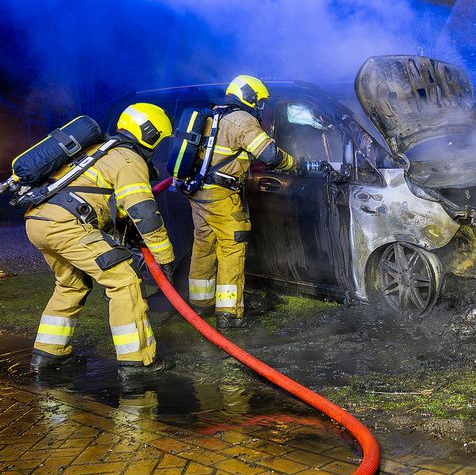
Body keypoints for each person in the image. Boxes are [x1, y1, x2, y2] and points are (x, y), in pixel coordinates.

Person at [26, 103, 176, 377]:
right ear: (151, 134)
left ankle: (48, 356)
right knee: (124, 280)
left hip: (38, 220)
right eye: (160, 140)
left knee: (71, 284)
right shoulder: (128, 159)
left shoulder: (98, 150)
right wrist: (165, 258)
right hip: (66, 225)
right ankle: (137, 363)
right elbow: (145, 214)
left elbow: (104, 199)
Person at [187, 75, 301, 328]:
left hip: (199, 194)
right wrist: (293, 163)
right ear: (249, 96)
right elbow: (268, 154)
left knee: (204, 245)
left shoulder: (212, 114)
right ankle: (229, 314)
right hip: (221, 196)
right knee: (231, 247)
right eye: (259, 102)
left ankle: (200, 304)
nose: (260, 108)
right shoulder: (242, 120)